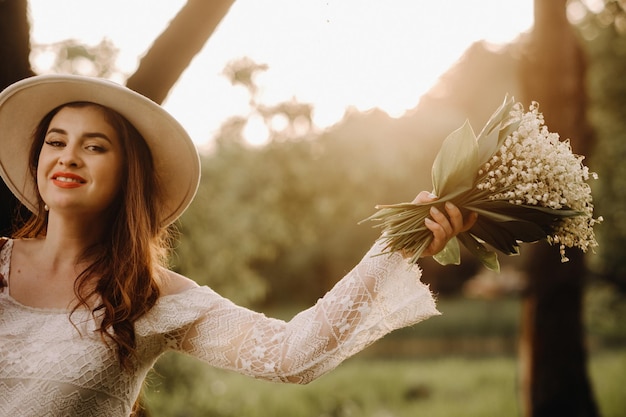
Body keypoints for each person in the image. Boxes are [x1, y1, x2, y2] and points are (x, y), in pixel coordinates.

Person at [0, 74, 476, 417]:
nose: (67, 157)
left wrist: (397, 245)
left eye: (95, 146)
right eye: (55, 141)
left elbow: (292, 355)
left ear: (129, 175)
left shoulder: (151, 296)